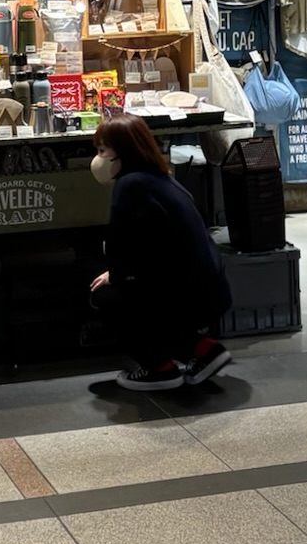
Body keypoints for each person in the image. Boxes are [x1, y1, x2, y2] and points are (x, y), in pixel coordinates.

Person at [88, 113, 233, 389]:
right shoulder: (161, 178)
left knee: (106, 296)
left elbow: (120, 245)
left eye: (102, 150)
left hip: (188, 295)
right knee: (145, 290)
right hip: (210, 290)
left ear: (123, 151)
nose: (99, 158)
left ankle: (158, 367)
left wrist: (114, 274)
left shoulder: (129, 185)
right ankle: (203, 349)